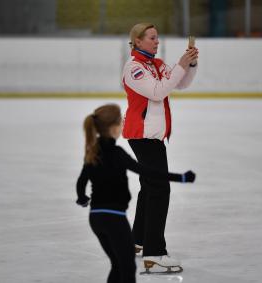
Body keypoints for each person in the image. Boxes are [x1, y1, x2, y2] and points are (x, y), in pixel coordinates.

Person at [76, 104, 195, 282]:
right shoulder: (117, 154)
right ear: (115, 128)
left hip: (95, 218)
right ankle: (153, 254)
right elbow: (148, 172)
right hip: (115, 219)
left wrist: (82, 198)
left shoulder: (92, 153)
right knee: (126, 266)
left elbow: (81, 182)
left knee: (118, 264)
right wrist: (181, 178)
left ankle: (138, 241)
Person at [121, 23, 198, 273]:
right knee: (159, 189)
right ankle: (154, 254)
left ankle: (138, 241)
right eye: (152, 38)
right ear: (138, 41)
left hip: (154, 136)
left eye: (157, 37)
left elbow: (181, 84)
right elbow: (158, 92)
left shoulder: (157, 63)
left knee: (150, 186)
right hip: (142, 135)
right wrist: (179, 66)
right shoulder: (134, 68)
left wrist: (190, 65)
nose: (157, 41)